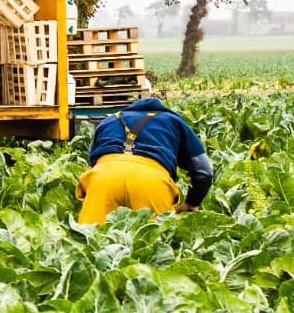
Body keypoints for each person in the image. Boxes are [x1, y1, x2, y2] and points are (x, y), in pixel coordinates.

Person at [76, 95, 214, 224]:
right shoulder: (172, 120)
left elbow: (92, 162)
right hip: (152, 182)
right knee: (156, 239)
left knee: (89, 237)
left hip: (103, 180)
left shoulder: (109, 120)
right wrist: (192, 202)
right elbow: (204, 171)